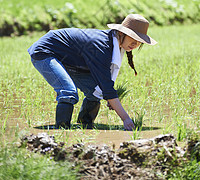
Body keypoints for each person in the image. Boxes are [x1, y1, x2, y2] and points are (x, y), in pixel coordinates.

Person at [28, 14, 157, 130]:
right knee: (68, 92)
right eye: (133, 37)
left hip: (70, 60)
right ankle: (62, 131)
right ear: (121, 33)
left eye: (140, 41)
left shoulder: (114, 44)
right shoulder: (102, 47)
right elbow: (107, 87)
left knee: (97, 91)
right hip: (45, 52)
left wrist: (110, 98)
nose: (136, 43)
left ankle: (85, 125)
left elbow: (104, 86)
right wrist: (126, 119)